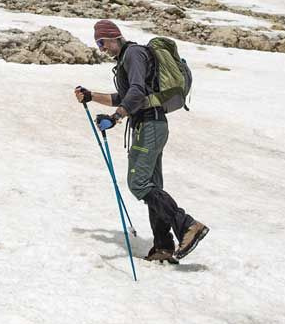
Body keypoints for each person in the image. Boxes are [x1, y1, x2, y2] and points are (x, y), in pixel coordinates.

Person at [74, 19, 208, 263]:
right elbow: (124, 96)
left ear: (114, 36)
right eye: (98, 44)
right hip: (150, 124)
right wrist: (92, 96)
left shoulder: (133, 54)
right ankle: (163, 247)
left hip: (149, 124)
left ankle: (188, 225)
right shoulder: (128, 58)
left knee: (138, 183)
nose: (101, 48)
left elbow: (135, 92)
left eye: (102, 42)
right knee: (151, 184)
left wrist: (116, 117)